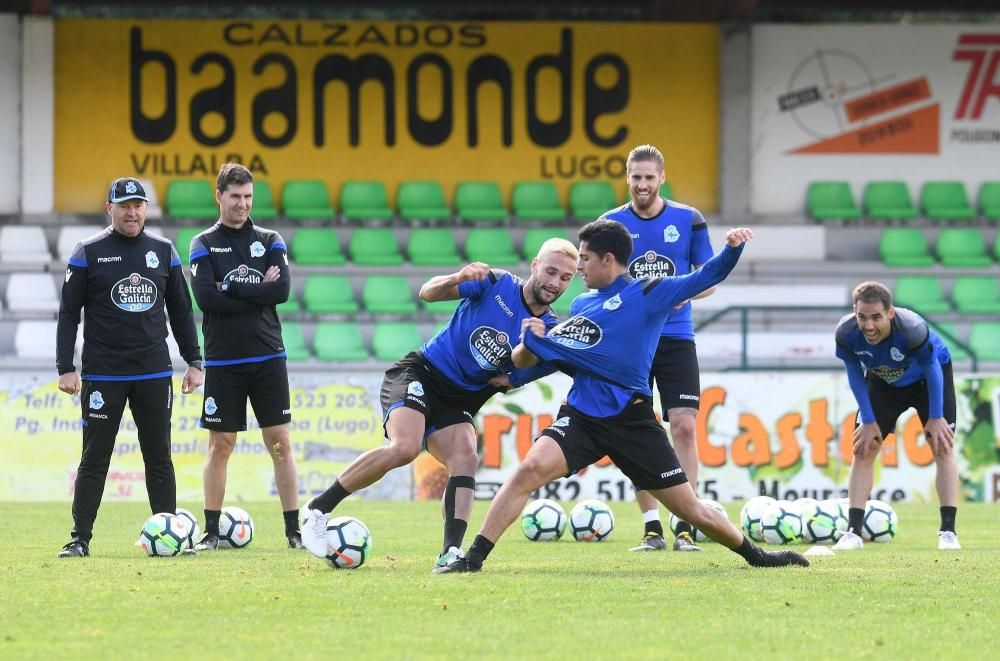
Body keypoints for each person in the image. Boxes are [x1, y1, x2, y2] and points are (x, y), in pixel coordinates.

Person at [436, 220, 809, 573]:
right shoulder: (583, 306)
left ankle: (758, 557)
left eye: (583, 259)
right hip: (582, 416)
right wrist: (521, 367)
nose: (578, 269)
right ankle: (473, 558)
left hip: (632, 421)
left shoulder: (650, 292)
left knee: (691, 509)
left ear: (607, 260)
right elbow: (563, 359)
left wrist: (731, 250)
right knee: (528, 471)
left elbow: (705, 276)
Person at [299, 239, 579, 571]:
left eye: (565, 278)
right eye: (550, 271)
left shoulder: (546, 329)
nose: (555, 283)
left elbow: (537, 363)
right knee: (404, 448)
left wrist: (516, 378)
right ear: (534, 265)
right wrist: (456, 277)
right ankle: (316, 509)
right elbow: (427, 292)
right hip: (422, 372)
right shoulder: (496, 283)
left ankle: (450, 553)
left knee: (465, 456)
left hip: (461, 398)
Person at [55, 177, 203, 557]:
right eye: (124, 205)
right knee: (94, 458)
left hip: (154, 372)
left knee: (158, 456)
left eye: (138, 204)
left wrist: (194, 360)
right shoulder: (87, 252)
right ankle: (80, 539)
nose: (132, 211)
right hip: (104, 373)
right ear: (110, 209)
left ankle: (168, 534)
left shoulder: (164, 250)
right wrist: (65, 367)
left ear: (146, 209)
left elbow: (182, 311)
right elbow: (69, 313)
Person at [601, 144, 715, 552]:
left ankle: (685, 524)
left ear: (662, 178)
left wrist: (686, 293)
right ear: (627, 177)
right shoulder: (610, 223)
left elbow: (710, 277)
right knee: (636, 428)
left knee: (683, 426)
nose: (643, 184)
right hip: (633, 341)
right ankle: (652, 527)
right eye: (636, 177)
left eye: (650, 177)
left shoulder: (689, 219)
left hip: (677, 337)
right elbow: (599, 281)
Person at [188, 163, 302, 549]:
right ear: (218, 196)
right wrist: (254, 289)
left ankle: (293, 532)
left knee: (279, 442)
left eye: (249, 197)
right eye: (235, 197)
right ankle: (211, 532)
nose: (243, 204)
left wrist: (230, 288)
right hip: (223, 359)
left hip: (268, 355)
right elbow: (205, 298)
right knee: (221, 444)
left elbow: (281, 291)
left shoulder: (270, 239)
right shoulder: (202, 243)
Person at [832, 281, 960, 551]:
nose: (868, 325)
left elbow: (933, 369)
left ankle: (948, 532)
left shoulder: (912, 330)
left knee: (942, 446)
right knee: (864, 448)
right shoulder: (846, 333)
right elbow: (855, 374)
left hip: (928, 382)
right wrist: (868, 420)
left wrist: (936, 417)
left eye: (876, 317)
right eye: (862, 317)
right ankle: (853, 532)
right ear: (854, 312)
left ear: (890, 313)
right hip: (883, 381)